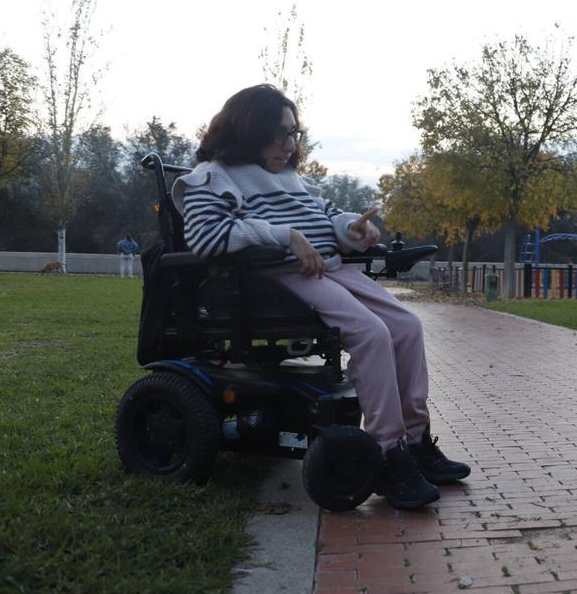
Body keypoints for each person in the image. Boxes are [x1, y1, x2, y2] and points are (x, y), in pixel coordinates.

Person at [171, 84, 470, 510]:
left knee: (405, 326)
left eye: (293, 133)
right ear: (246, 131)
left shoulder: (293, 179)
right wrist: (285, 236)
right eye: (278, 134)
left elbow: (327, 217)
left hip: (330, 269)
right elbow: (206, 238)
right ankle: (387, 452)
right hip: (275, 279)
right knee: (370, 333)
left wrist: (355, 229)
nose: (289, 144)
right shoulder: (212, 177)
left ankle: (416, 440)